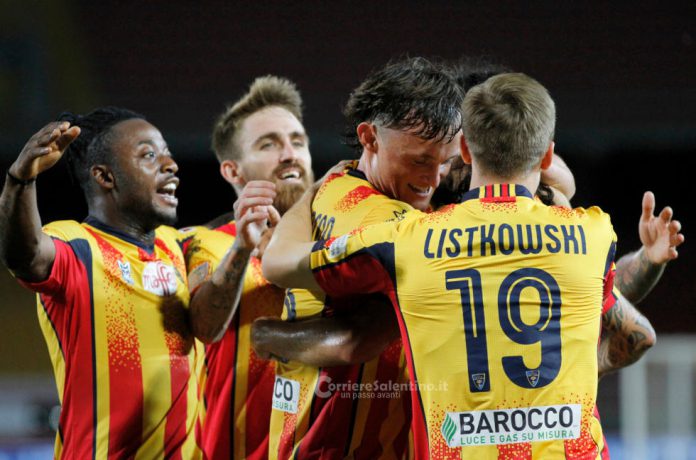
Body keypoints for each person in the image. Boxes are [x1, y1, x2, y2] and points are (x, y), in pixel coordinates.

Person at [262, 73, 623, 458]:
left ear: (464, 149)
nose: (433, 176)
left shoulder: (408, 239)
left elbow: (278, 264)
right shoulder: (595, 232)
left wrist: (311, 194)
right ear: (547, 156)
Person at [0, 108, 202, 458]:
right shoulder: (77, 246)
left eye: (167, 153)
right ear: (105, 176)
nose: (171, 164)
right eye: (149, 155)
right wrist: (21, 179)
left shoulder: (178, 247)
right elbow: (26, 255)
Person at [182, 75, 314, 460]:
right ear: (232, 171)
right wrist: (243, 249)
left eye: (298, 141)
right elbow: (204, 325)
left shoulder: (340, 240)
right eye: (268, 144)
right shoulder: (202, 243)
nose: (289, 154)